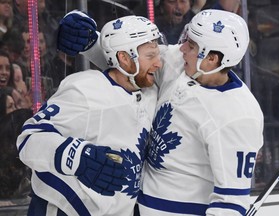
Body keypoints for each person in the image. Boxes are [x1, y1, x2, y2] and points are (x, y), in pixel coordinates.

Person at [57, 9, 264, 215]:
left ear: (211, 59)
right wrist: (89, 41)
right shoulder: (180, 63)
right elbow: (131, 67)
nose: (181, 48)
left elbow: (230, 203)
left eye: (191, 46)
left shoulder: (239, 116)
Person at [16, 12, 163, 216]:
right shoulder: (86, 90)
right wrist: (78, 157)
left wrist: (94, 44)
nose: (159, 63)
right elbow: (29, 140)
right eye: (150, 56)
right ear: (124, 57)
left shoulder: (149, 93)